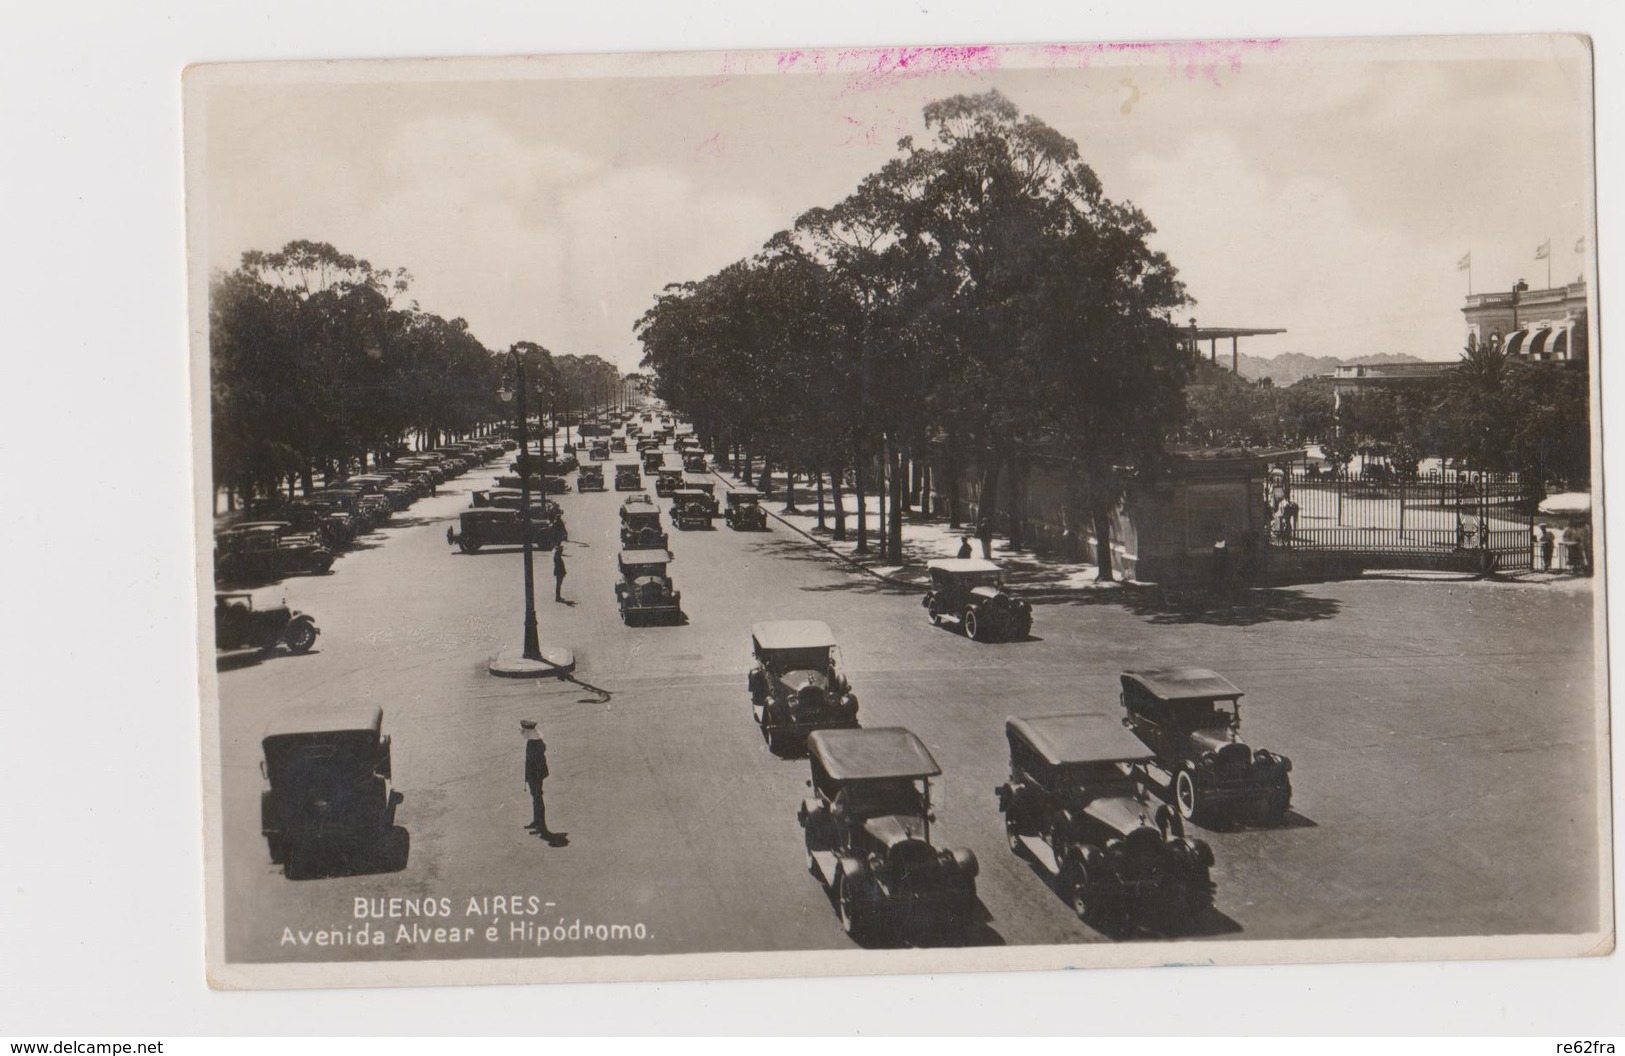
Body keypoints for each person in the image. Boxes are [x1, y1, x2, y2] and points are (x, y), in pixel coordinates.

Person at [521, 719, 564, 844]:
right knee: (536, 799)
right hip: (533, 776)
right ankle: (537, 822)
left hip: (536, 777)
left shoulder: (535, 744)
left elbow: (538, 763)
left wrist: (535, 778)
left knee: (538, 799)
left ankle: (541, 826)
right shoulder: (533, 741)